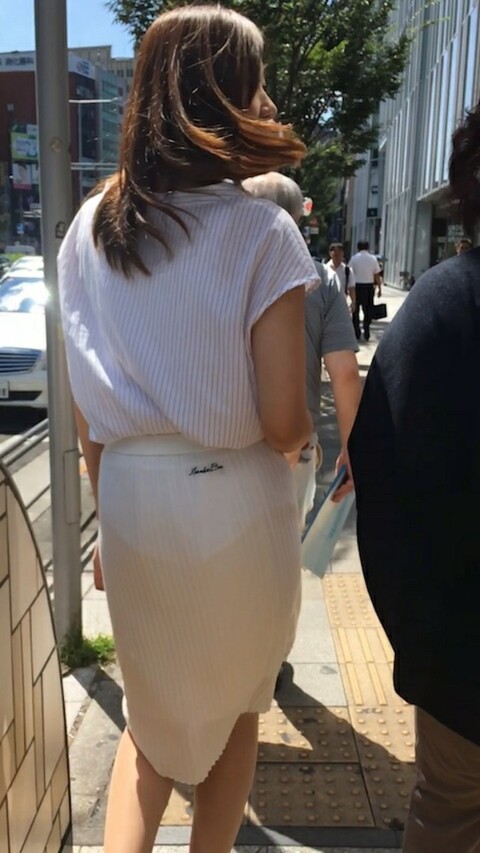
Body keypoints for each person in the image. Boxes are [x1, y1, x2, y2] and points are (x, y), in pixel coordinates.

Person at [57, 7, 318, 853]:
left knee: (151, 722)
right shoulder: (262, 230)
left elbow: (88, 412)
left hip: (133, 497)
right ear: (223, 96)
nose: (268, 99)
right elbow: (283, 421)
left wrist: (108, 516)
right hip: (236, 498)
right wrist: (305, 439)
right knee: (238, 705)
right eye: (256, 82)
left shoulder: (89, 228)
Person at [349, 102, 480, 852]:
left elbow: (384, 480)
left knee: (450, 813)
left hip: (464, 666)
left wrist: (423, 648)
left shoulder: (442, 305)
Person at [243, 172, 361, 523]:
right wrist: (352, 449)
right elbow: (345, 373)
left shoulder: (223, 272)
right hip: (294, 446)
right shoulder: (321, 279)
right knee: (285, 547)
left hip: (222, 450)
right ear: (298, 216)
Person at [349, 240, 382, 341]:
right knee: (368, 310)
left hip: (357, 286)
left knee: (356, 310)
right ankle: (366, 330)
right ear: (368, 247)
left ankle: (357, 332)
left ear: (358, 247)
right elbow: (377, 274)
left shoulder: (354, 258)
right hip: (369, 287)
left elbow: (349, 272)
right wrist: (380, 288)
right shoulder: (373, 259)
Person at [326, 242, 356, 313]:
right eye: (335, 254)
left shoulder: (347, 270)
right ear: (330, 254)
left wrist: (353, 302)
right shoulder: (325, 269)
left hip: (342, 303)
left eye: (339, 254)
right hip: (326, 303)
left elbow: (351, 288)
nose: (337, 257)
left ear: (342, 254)